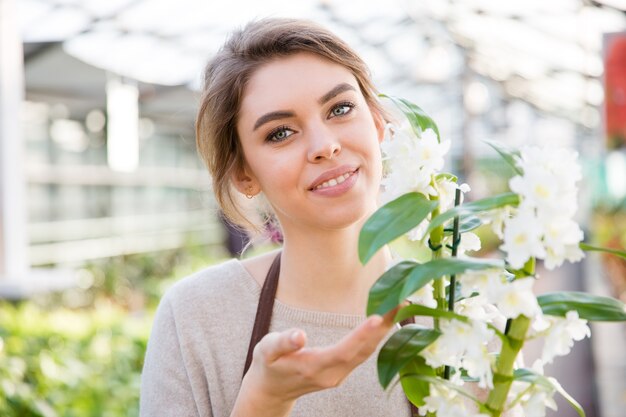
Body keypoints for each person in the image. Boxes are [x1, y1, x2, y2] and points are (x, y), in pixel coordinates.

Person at [140, 18, 415, 417]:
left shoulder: (460, 313)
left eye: (340, 108)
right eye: (280, 133)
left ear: (376, 123)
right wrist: (263, 402)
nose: (325, 146)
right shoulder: (196, 318)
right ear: (244, 175)